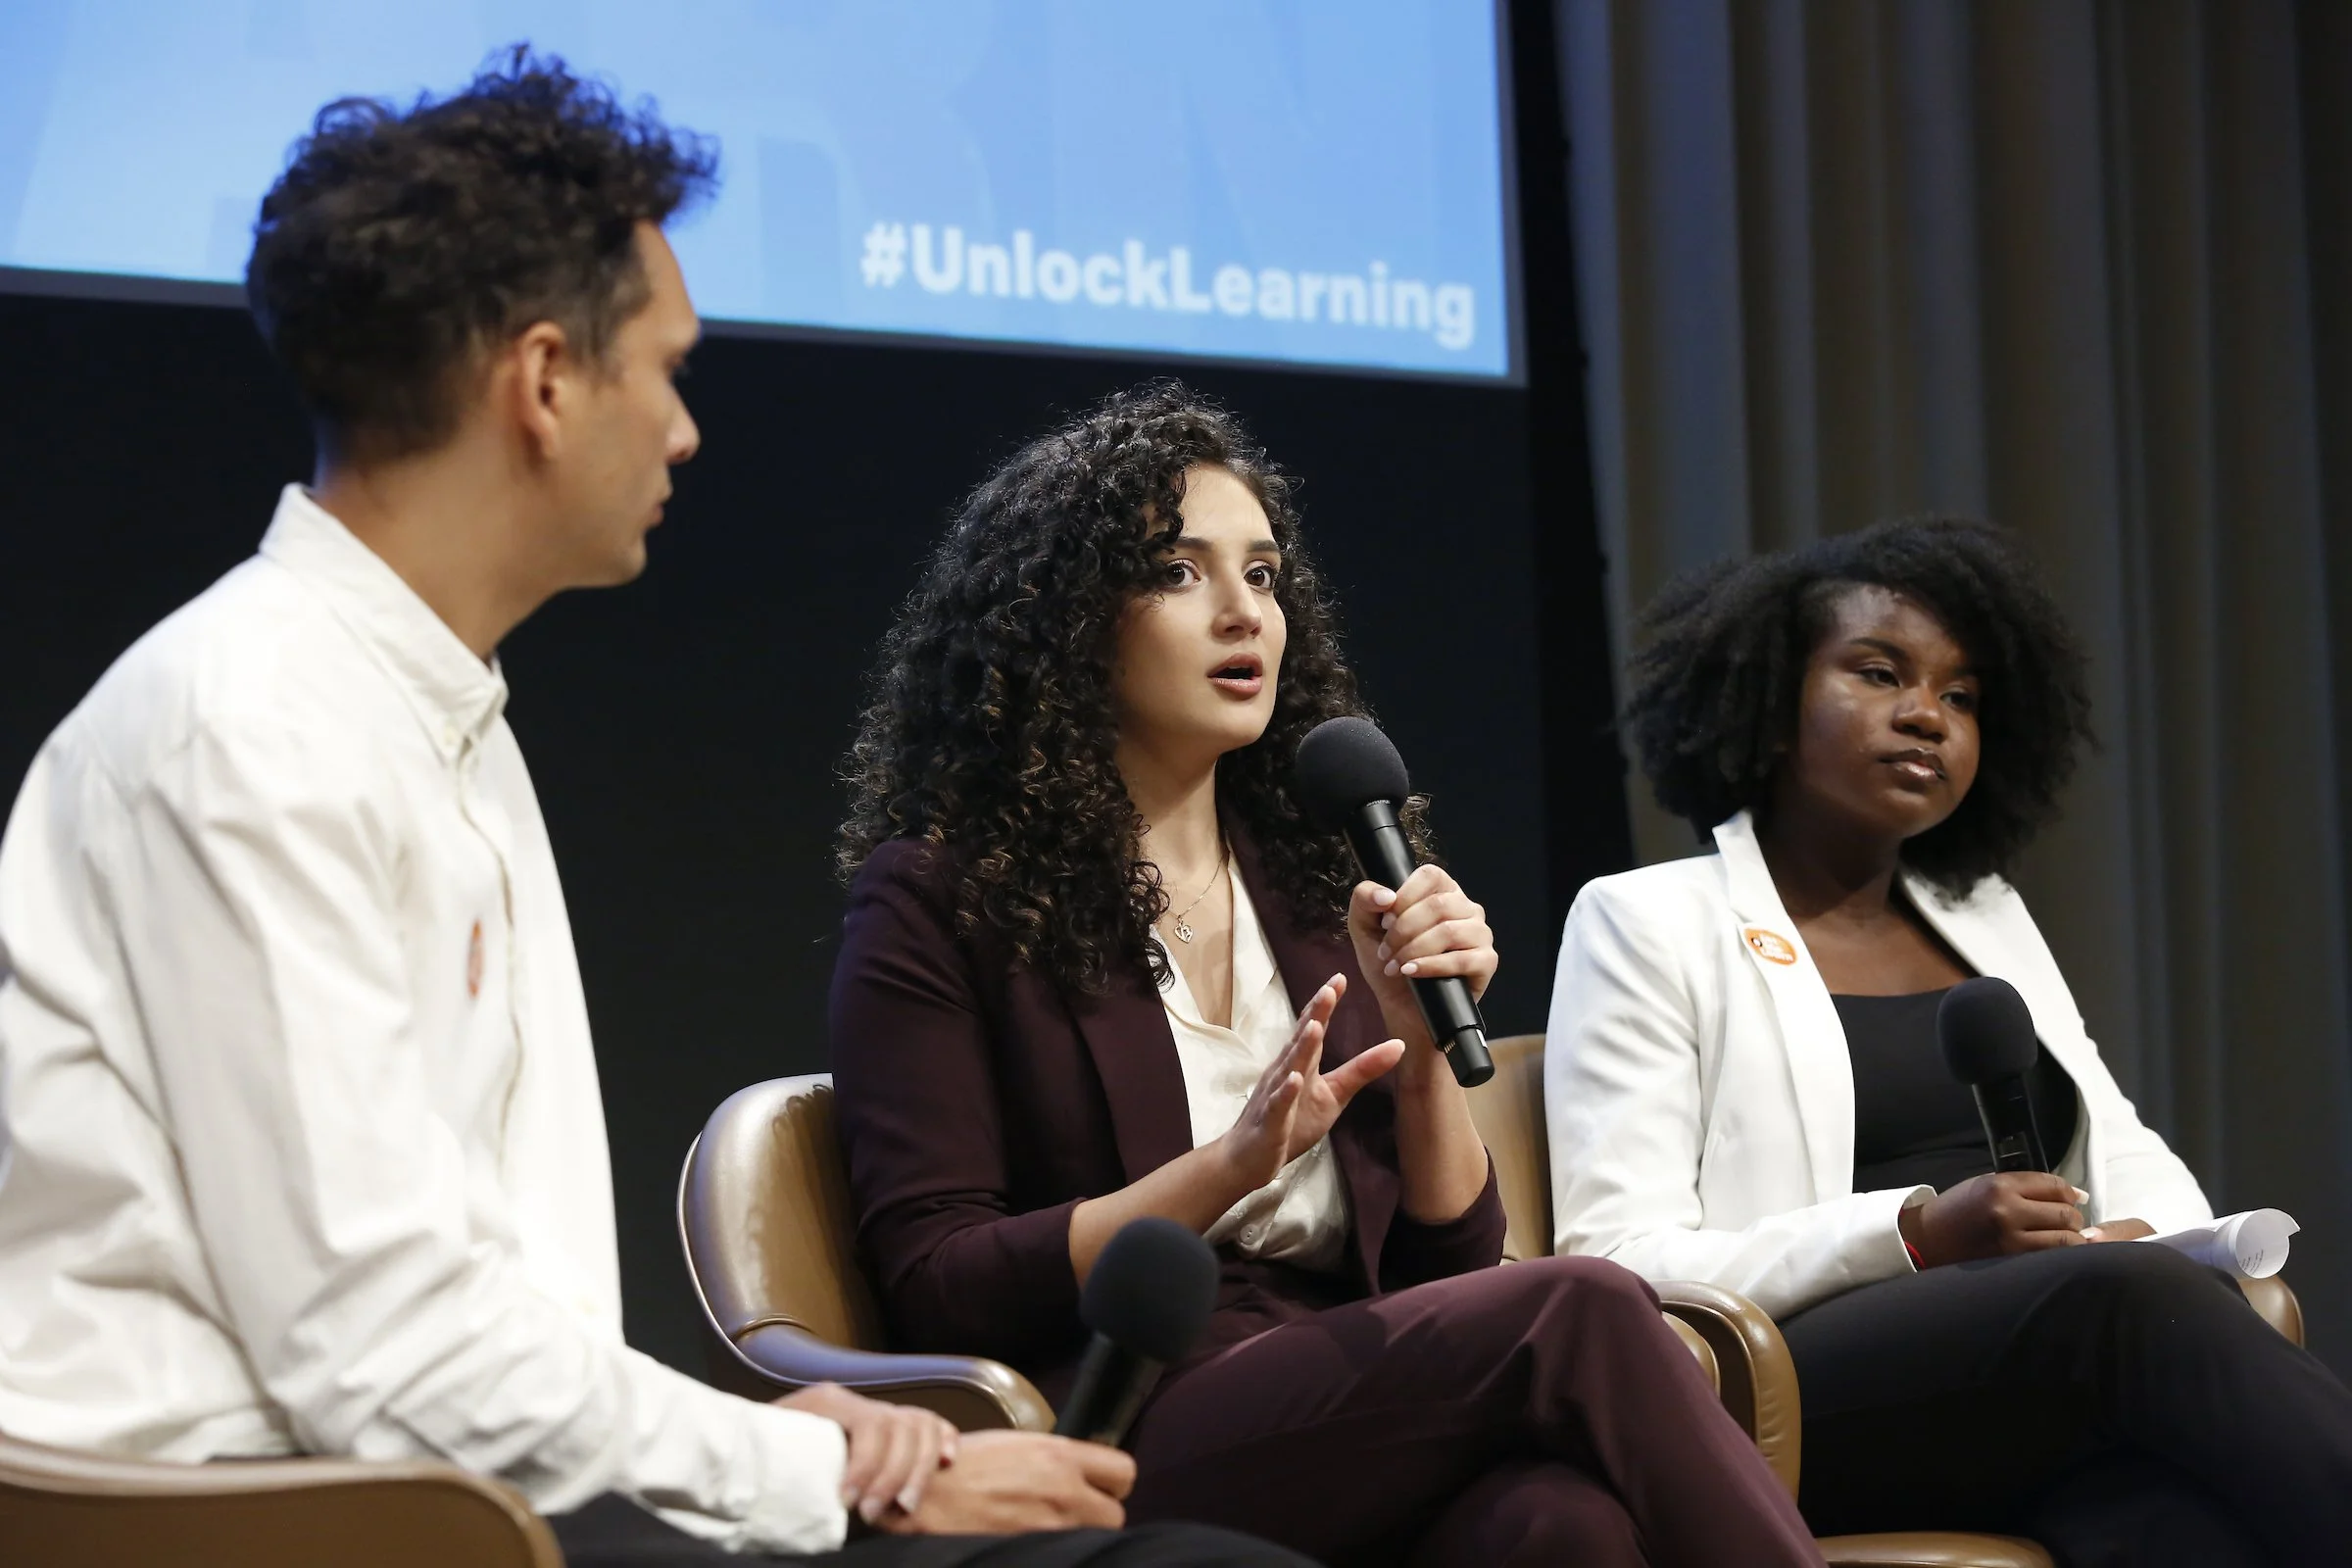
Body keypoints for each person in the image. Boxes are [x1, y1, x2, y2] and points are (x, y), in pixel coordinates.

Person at [0, 54, 1304, 1568]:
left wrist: (787, 1446)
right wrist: (798, 1468)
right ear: (546, 383)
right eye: (665, 369)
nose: (686, 429)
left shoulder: (431, 719)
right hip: (269, 1517)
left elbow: (460, 1325)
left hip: (462, 1486)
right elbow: (378, 1350)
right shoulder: (249, 728)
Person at [827, 382, 1822, 1568]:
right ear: (1064, 619)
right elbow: (940, 1281)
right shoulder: (945, 894)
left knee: (1563, 1524)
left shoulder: (1315, 888)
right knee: (1586, 1302)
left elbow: (1446, 1267)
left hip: (1356, 1386)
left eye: (1262, 573)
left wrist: (1418, 1068)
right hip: (1130, 1405)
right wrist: (1229, 1166)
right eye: (1182, 571)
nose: (1243, 612)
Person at [1544, 517, 2352, 1563]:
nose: (1926, 715)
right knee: (2123, 1305)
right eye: (1880, 674)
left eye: (1961, 697)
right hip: (1789, 1384)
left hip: (2036, 1373)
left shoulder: (1989, 918)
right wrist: (1921, 1232)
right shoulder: (1646, 918)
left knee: (2179, 1524)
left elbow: (2122, 1142)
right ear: (1772, 699)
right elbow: (1619, 1262)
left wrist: (2141, 1231)